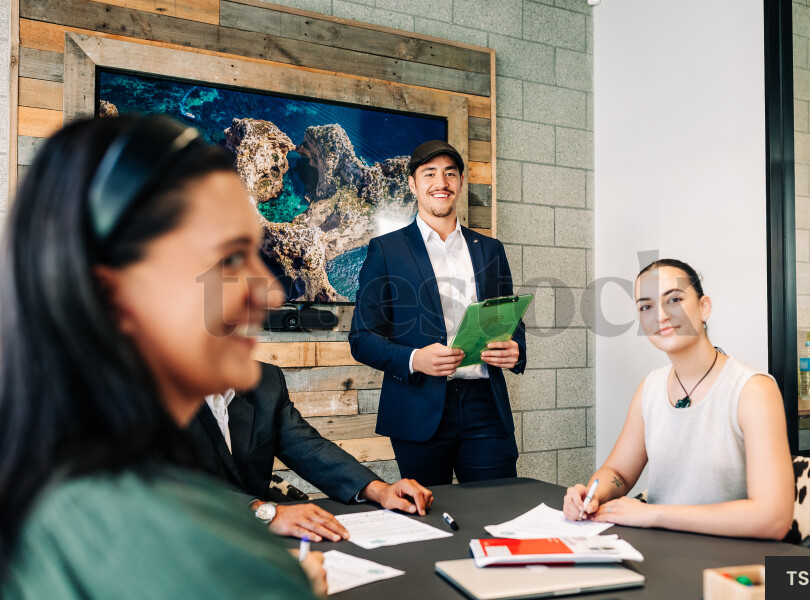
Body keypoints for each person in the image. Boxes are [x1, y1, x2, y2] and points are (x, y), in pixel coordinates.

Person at [0, 115, 324, 598]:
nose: (270, 295)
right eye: (230, 258)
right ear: (112, 294)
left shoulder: (41, 496)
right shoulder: (224, 566)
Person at [563, 259, 794, 539]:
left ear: (704, 306)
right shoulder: (650, 388)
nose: (660, 315)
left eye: (673, 299)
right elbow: (619, 473)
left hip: (731, 563)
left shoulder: (753, 391)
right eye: (646, 306)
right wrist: (590, 495)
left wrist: (653, 515)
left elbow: (773, 519)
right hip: (665, 553)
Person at [349, 140, 526, 486]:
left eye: (449, 174)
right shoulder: (385, 251)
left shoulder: (490, 249)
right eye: (429, 173)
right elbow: (361, 339)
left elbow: (509, 321)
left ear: (460, 182)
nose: (440, 183)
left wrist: (515, 349)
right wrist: (415, 358)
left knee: (498, 510)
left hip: (485, 407)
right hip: (419, 407)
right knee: (429, 520)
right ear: (413, 184)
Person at [189, 360, 434, 542]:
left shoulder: (265, 379)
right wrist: (264, 513)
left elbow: (306, 446)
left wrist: (378, 490)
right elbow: (162, 479)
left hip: (260, 545)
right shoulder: (155, 389)